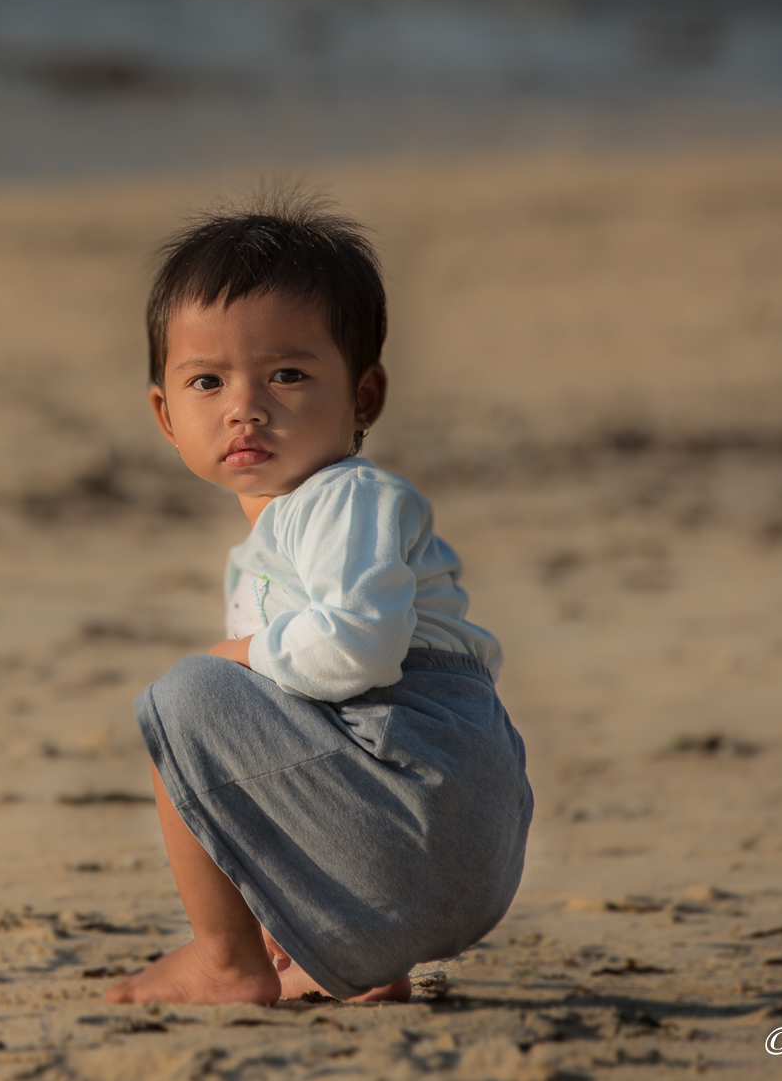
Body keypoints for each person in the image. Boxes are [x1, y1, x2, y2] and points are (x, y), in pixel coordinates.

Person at [104, 195, 533, 1007]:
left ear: (364, 398)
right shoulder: (273, 546)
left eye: (287, 374)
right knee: (247, 720)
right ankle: (363, 959)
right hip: (448, 851)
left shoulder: (342, 500)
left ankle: (226, 960)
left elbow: (360, 652)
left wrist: (240, 654)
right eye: (208, 380)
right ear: (166, 413)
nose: (246, 406)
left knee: (184, 698)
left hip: (422, 812)